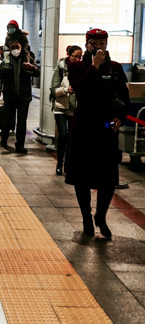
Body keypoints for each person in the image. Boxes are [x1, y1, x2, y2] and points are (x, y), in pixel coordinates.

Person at [65, 28, 130, 238]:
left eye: (103, 43)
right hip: (84, 127)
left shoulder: (116, 68)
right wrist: (93, 66)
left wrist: (121, 117)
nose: (100, 47)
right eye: (96, 43)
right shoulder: (76, 66)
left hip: (106, 128)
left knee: (108, 178)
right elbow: (80, 89)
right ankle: (86, 216)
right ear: (87, 44)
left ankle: (101, 216)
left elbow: (123, 96)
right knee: (81, 178)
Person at [0, 41, 37, 153]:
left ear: (21, 47)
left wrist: (32, 67)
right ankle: (4, 138)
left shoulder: (28, 58)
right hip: (9, 95)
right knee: (7, 119)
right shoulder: (6, 61)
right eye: (13, 48)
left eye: (17, 47)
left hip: (24, 96)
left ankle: (20, 145)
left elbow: (37, 73)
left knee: (22, 121)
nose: (16, 50)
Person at [50, 45, 81, 175]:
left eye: (80, 57)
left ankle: (69, 165)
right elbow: (53, 89)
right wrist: (65, 90)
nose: (78, 59)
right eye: (75, 56)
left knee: (72, 138)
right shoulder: (61, 68)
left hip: (74, 108)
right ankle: (59, 163)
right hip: (60, 107)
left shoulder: (82, 69)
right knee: (63, 135)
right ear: (69, 55)